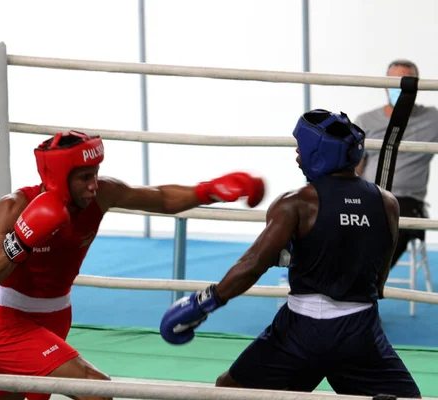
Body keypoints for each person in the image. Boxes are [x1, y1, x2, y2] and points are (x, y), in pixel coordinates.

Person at [0, 130, 265, 400]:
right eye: (84, 177)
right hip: (6, 324)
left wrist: (208, 191)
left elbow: (160, 199)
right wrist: (20, 242)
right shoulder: (13, 207)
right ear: (59, 178)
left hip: (55, 317)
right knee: (96, 391)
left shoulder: (102, 194)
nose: (93, 185)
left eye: (95, 174)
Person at [159, 109, 421, 399]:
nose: (297, 152)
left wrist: (205, 302)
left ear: (319, 153)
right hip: (359, 331)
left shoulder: (295, 203)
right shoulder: (388, 203)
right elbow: (379, 279)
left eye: (302, 146)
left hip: (300, 331)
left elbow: (251, 264)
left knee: (229, 391)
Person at [356, 59, 438, 269]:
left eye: (406, 81)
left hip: (407, 202)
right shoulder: (366, 121)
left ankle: (366, 281)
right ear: (384, 85)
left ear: (416, 86)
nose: (400, 87)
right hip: (368, 196)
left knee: (394, 223)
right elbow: (352, 166)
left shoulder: (432, 119)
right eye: (394, 82)